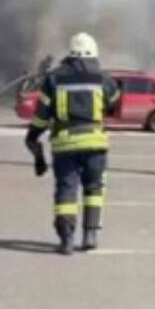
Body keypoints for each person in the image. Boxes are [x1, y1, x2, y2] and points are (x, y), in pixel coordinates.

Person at [25, 32, 120, 255]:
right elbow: (114, 104)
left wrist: (33, 136)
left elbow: (42, 116)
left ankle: (66, 240)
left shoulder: (54, 78)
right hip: (95, 143)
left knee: (66, 190)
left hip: (65, 145)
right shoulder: (103, 78)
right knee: (94, 189)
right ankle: (90, 235)